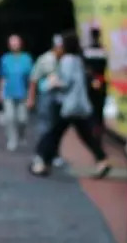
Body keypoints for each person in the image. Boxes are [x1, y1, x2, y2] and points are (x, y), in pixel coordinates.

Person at [30, 31, 111, 178]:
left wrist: (54, 82)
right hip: (80, 105)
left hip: (67, 105)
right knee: (84, 134)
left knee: (53, 133)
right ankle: (102, 160)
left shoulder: (66, 60)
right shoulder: (79, 60)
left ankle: (41, 160)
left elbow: (66, 83)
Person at [27, 34, 66, 168]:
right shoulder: (45, 59)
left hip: (59, 97)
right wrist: (31, 98)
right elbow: (34, 79)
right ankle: (41, 153)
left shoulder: (65, 60)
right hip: (46, 96)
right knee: (45, 126)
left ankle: (53, 154)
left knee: (56, 127)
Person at [0, 34, 34, 152]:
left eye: (16, 42)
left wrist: (31, 95)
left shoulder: (27, 58)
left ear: (20, 43)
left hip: (23, 92)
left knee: (23, 119)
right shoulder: (5, 59)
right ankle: (12, 139)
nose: (14, 45)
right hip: (8, 92)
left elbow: (32, 78)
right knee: (10, 117)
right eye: (12, 43)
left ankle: (21, 135)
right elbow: (3, 77)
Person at [83, 27, 108, 139]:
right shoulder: (103, 50)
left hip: (92, 81)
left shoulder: (87, 50)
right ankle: (97, 128)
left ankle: (94, 128)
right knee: (99, 106)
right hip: (100, 81)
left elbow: (86, 68)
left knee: (94, 106)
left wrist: (93, 79)